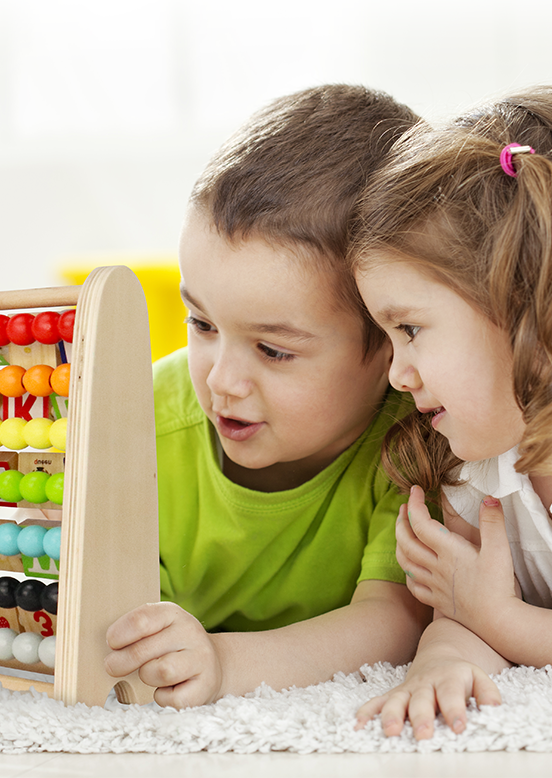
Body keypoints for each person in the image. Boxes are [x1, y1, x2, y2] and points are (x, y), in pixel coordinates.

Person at [104, 84, 430, 709]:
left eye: (274, 350)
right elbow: (106, 609)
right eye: (201, 324)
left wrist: (225, 662)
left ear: (391, 346)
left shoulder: (418, 442)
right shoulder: (137, 424)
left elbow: (395, 622)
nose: (221, 380)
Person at [351, 87, 552, 739]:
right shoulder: (480, 466)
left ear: (524, 308)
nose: (396, 375)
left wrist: (502, 619)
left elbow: (485, 613)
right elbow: (460, 617)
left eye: (409, 329)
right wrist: (442, 663)